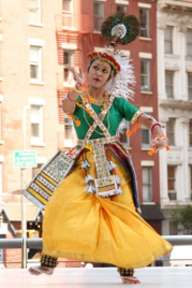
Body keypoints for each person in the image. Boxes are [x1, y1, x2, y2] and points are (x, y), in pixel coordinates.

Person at [26, 13, 173, 284]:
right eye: (95, 67)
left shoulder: (117, 103)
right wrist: (76, 88)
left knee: (124, 213)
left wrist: (159, 134)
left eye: (105, 71)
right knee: (59, 203)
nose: (98, 73)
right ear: (89, 69)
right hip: (83, 163)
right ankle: (48, 261)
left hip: (113, 164)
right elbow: (66, 107)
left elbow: (146, 119)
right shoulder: (79, 98)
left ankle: (126, 269)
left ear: (110, 77)